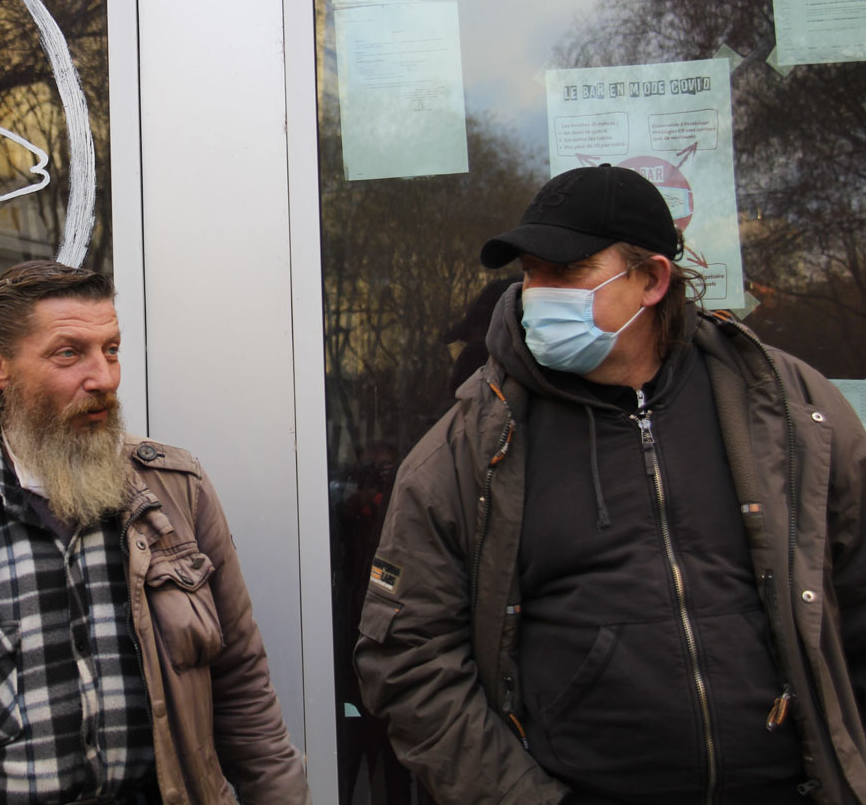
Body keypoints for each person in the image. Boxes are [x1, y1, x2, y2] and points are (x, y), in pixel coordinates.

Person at [354, 164, 866, 804]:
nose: (536, 294)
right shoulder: (469, 448)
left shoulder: (788, 412)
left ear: (652, 279)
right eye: (530, 273)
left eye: (566, 273)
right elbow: (409, 660)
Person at [0, 260, 309, 805]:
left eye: (112, 350)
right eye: (69, 353)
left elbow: (242, 683)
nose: (103, 378)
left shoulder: (178, 491)